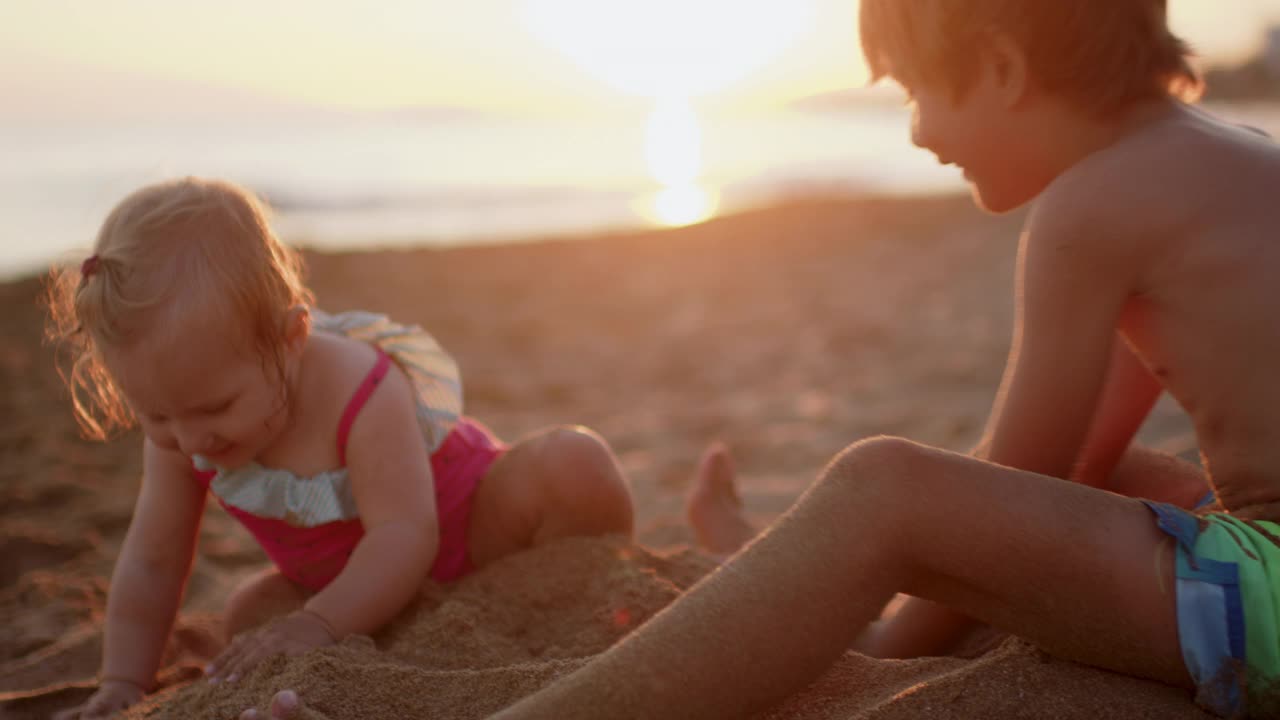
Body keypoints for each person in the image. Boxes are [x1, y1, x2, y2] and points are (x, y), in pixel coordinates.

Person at [486, 1, 1280, 717]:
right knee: (1098, 477)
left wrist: (887, 643)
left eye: (912, 91)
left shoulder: (1092, 204)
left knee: (887, 488)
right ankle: (808, 588)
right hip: (1259, 559)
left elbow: (1020, 474)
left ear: (1002, 67)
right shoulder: (1234, 155)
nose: (917, 132)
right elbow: (1074, 462)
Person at [43, 177, 636, 720]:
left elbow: (404, 533)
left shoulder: (360, 387)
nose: (192, 439)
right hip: (347, 586)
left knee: (573, 465)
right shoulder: (184, 428)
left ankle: (596, 576)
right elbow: (153, 559)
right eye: (158, 415)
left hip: (476, 527)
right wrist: (122, 679)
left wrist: (320, 623)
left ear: (292, 338)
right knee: (247, 619)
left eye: (216, 409)